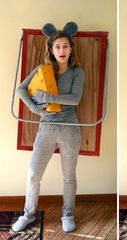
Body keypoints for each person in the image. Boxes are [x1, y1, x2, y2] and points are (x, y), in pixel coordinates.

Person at [12, 22, 84, 233]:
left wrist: (49, 97)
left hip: (69, 128)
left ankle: (68, 213)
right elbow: (21, 89)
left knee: (69, 176)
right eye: (57, 47)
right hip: (46, 128)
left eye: (65, 46)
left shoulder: (78, 72)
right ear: (51, 50)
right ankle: (28, 214)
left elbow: (75, 99)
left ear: (71, 48)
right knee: (34, 174)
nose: (62, 51)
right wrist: (36, 108)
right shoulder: (42, 70)